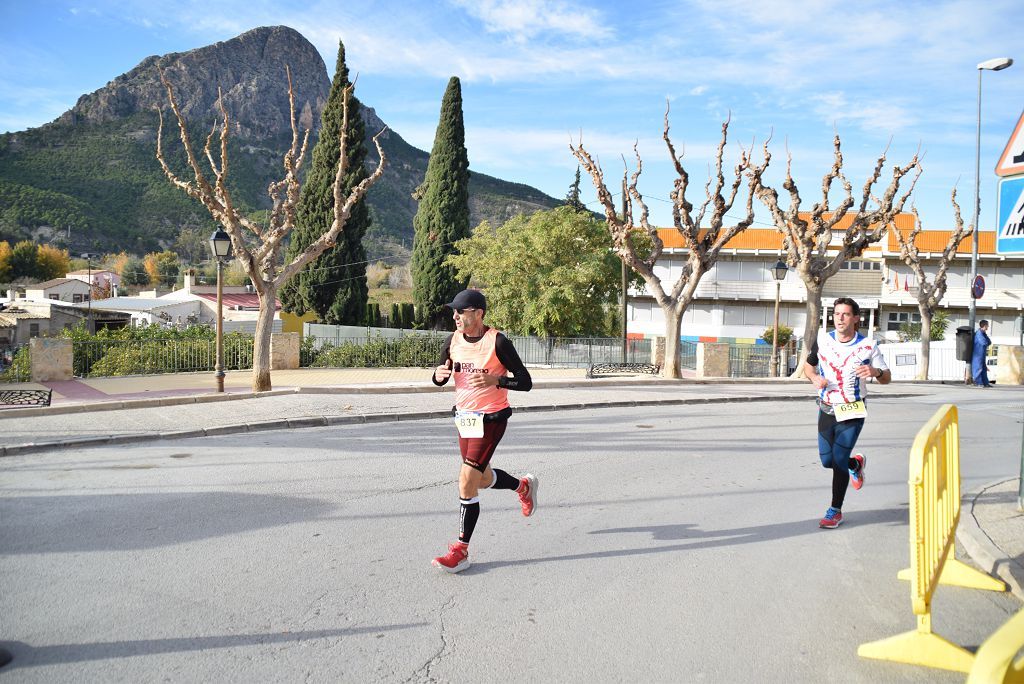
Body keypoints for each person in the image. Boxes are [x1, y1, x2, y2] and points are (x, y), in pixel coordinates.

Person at [430, 289, 536, 573]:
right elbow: (442, 372)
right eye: (454, 312)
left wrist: (495, 380)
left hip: (491, 419)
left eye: (460, 312)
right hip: (464, 418)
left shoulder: (498, 342)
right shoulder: (451, 340)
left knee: (466, 481)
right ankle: (522, 486)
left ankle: (461, 551)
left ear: (478, 313)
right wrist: (437, 377)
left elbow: (525, 382)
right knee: (481, 478)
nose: (455, 316)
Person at [804, 297, 891, 529]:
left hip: (853, 410)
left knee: (838, 459)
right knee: (827, 461)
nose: (839, 318)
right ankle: (855, 464)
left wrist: (875, 371)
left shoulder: (868, 346)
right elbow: (808, 366)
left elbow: (887, 378)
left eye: (845, 314)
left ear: (855, 318)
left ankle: (835, 510)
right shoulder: (823, 341)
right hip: (827, 408)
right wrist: (814, 378)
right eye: (836, 313)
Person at [972, 320, 992, 387]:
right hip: (977, 353)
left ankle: (985, 382)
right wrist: (986, 341)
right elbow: (984, 343)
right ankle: (979, 383)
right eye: (987, 325)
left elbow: (989, 342)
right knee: (978, 368)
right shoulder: (979, 333)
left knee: (983, 368)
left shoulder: (983, 333)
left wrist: (986, 340)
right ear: (984, 325)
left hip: (982, 353)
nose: (988, 326)